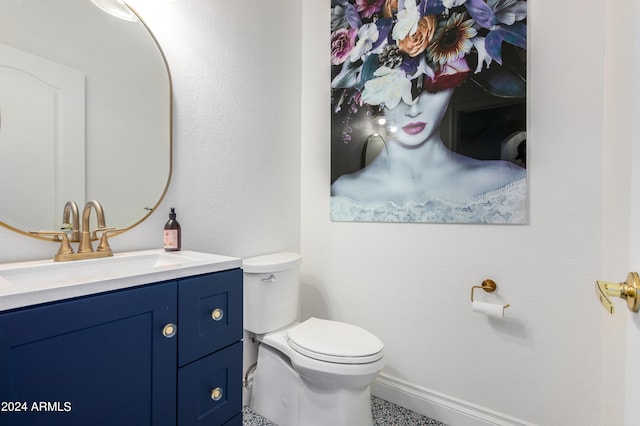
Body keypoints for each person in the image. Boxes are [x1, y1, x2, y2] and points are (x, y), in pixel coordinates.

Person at [330, 0, 527, 223]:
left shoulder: (506, 184)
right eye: (396, 84)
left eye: (435, 83)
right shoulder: (344, 193)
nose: (413, 107)